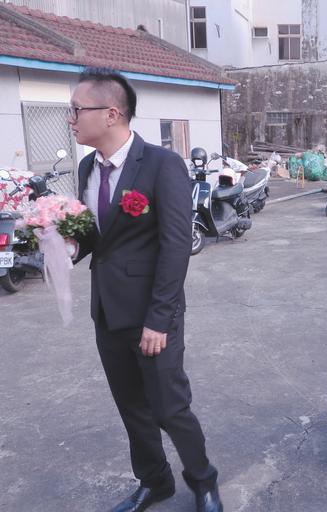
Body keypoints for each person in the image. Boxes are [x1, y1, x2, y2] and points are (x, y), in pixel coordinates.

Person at [69, 68, 223, 512]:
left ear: (111, 113)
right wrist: (66, 244)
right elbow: (99, 235)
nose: (71, 119)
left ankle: (203, 481)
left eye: (77, 110)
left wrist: (159, 319)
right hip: (107, 310)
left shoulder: (161, 165)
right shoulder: (87, 166)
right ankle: (155, 482)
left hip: (153, 314)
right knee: (131, 407)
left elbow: (176, 246)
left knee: (170, 406)